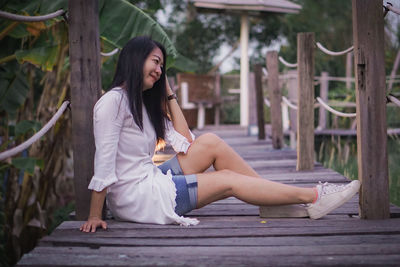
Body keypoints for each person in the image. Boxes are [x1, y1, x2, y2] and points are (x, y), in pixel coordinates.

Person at [80, 36, 360, 232]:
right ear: (135, 58)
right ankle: (311, 195)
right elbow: (103, 163)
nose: (159, 70)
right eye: (155, 62)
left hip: (149, 179)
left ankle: (273, 200)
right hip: (139, 199)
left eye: (162, 66)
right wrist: (95, 215)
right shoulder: (112, 103)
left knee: (210, 142)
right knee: (226, 180)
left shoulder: (140, 103)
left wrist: (169, 93)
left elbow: (187, 142)